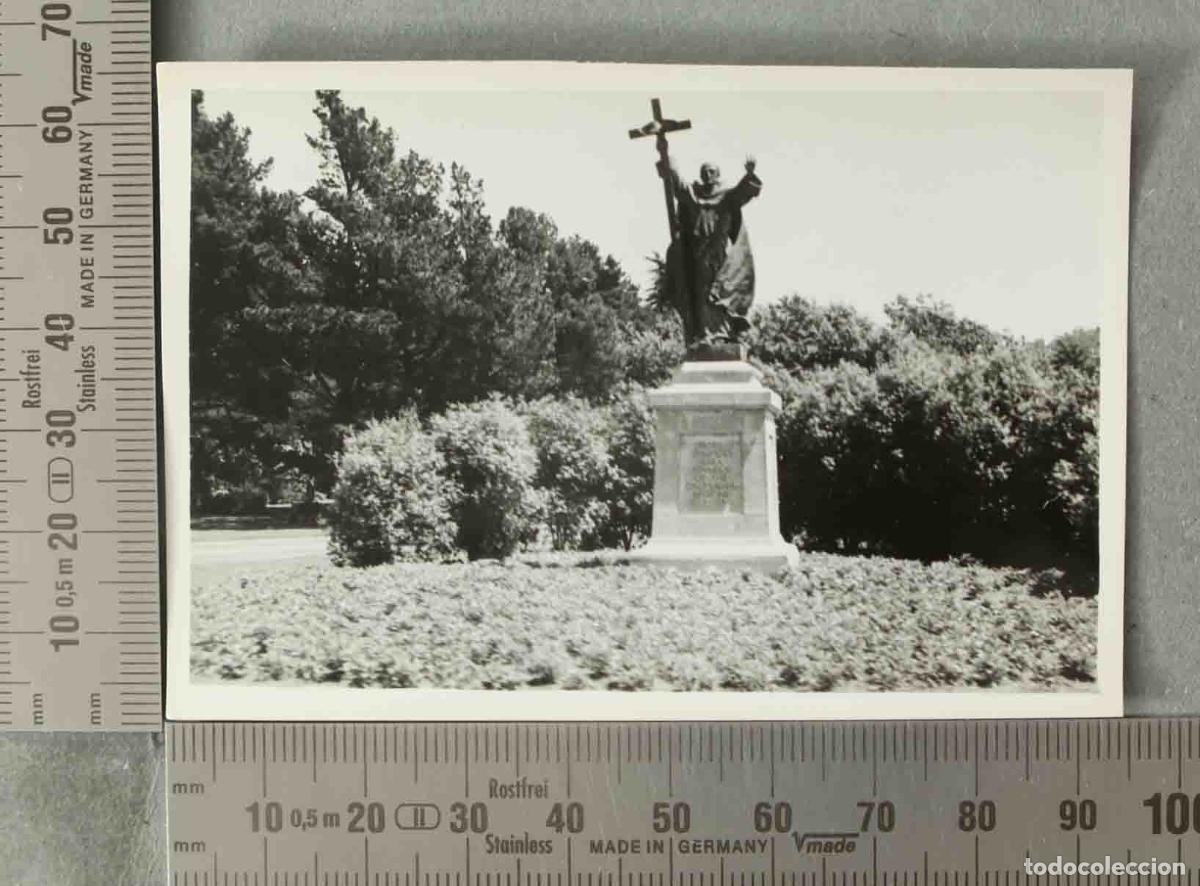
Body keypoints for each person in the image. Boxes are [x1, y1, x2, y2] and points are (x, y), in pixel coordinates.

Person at [657, 156, 762, 347]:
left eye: (711, 171)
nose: (707, 174)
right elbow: (677, 185)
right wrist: (666, 156)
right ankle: (704, 333)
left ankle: (722, 334)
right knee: (700, 292)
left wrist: (749, 174)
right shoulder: (693, 195)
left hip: (718, 253)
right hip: (697, 254)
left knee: (720, 290)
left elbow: (743, 191)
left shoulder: (727, 197)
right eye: (704, 171)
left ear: (718, 175)